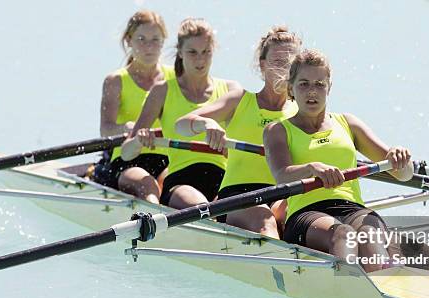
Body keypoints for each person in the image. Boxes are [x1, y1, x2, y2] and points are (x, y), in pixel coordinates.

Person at [263, 49, 413, 273]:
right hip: (307, 213)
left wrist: (399, 158)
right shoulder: (277, 130)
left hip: (353, 209)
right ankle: (350, 290)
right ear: (291, 88)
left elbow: (405, 174)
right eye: (304, 84)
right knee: (343, 234)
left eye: (319, 84)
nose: (312, 91)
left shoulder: (348, 124)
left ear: (329, 88)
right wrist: (312, 168)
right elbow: (281, 175)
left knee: (370, 236)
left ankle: (384, 288)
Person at [174, 26, 301, 237]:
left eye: (291, 64)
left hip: (282, 196)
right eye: (278, 62)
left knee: (303, 216)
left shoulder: (301, 112)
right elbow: (182, 125)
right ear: (262, 65)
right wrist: (207, 125)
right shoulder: (240, 100)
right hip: (238, 196)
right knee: (265, 220)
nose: (285, 70)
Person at [121, 18, 240, 208]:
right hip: (180, 183)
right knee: (202, 206)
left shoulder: (231, 89)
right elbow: (126, 153)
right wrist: (138, 141)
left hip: (224, 182)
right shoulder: (162, 91)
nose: (200, 60)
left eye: (206, 52)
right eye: (192, 52)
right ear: (180, 53)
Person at [98, 10, 172, 203]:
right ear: (129, 41)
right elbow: (105, 129)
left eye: (155, 40)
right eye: (142, 39)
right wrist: (127, 127)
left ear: (163, 41)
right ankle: (154, 226)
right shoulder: (115, 81)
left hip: (168, 157)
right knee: (148, 186)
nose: (149, 46)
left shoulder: (175, 79)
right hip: (128, 158)